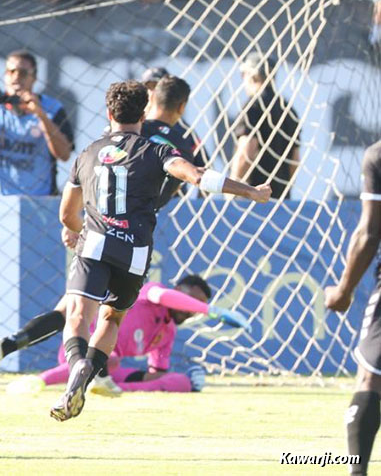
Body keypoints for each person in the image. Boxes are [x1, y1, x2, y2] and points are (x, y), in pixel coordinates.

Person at [50, 80, 270, 422]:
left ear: (108, 114)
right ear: (144, 114)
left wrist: (84, 231)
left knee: (78, 316)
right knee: (111, 318)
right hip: (134, 251)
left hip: (94, 242)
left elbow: (67, 215)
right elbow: (197, 177)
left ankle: (77, 365)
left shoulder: (88, 153)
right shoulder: (156, 152)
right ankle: (88, 372)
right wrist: (251, 191)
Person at [0, 275, 248, 395]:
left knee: (177, 381)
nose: (190, 312)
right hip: (80, 348)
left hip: (109, 367)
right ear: (179, 291)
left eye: (196, 309)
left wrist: (167, 381)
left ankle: (113, 388)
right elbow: (165, 296)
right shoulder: (151, 293)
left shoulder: (167, 332)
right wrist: (210, 311)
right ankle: (39, 381)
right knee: (106, 353)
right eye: (190, 303)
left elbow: (156, 372)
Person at [325, 141, 381, 476]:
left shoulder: (378, 155)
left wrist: (344, 291)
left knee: (370, 378)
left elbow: (369, 232)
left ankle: (357, 471)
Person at [0, 50, 74, 195]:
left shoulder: (52, 108)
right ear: (5, 75)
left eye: (23, 73)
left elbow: (64, 155)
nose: (16, 77)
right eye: (11, 71)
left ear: (34, 78)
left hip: (39, 200)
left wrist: (41, 115)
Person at [229, 52, 300, 200]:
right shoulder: (287, 109)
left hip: (253, 196)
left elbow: (246, 153)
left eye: (243, 74)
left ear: (252, 76)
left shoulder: (253, 106)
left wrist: (232, 191)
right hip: (280, 199)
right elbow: (294, 159)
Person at [142, 75, 207, 207]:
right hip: (153, 212)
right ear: (181, 107)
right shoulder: (181, 144)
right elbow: (201, 175)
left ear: (152, 97)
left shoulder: (128, 130)